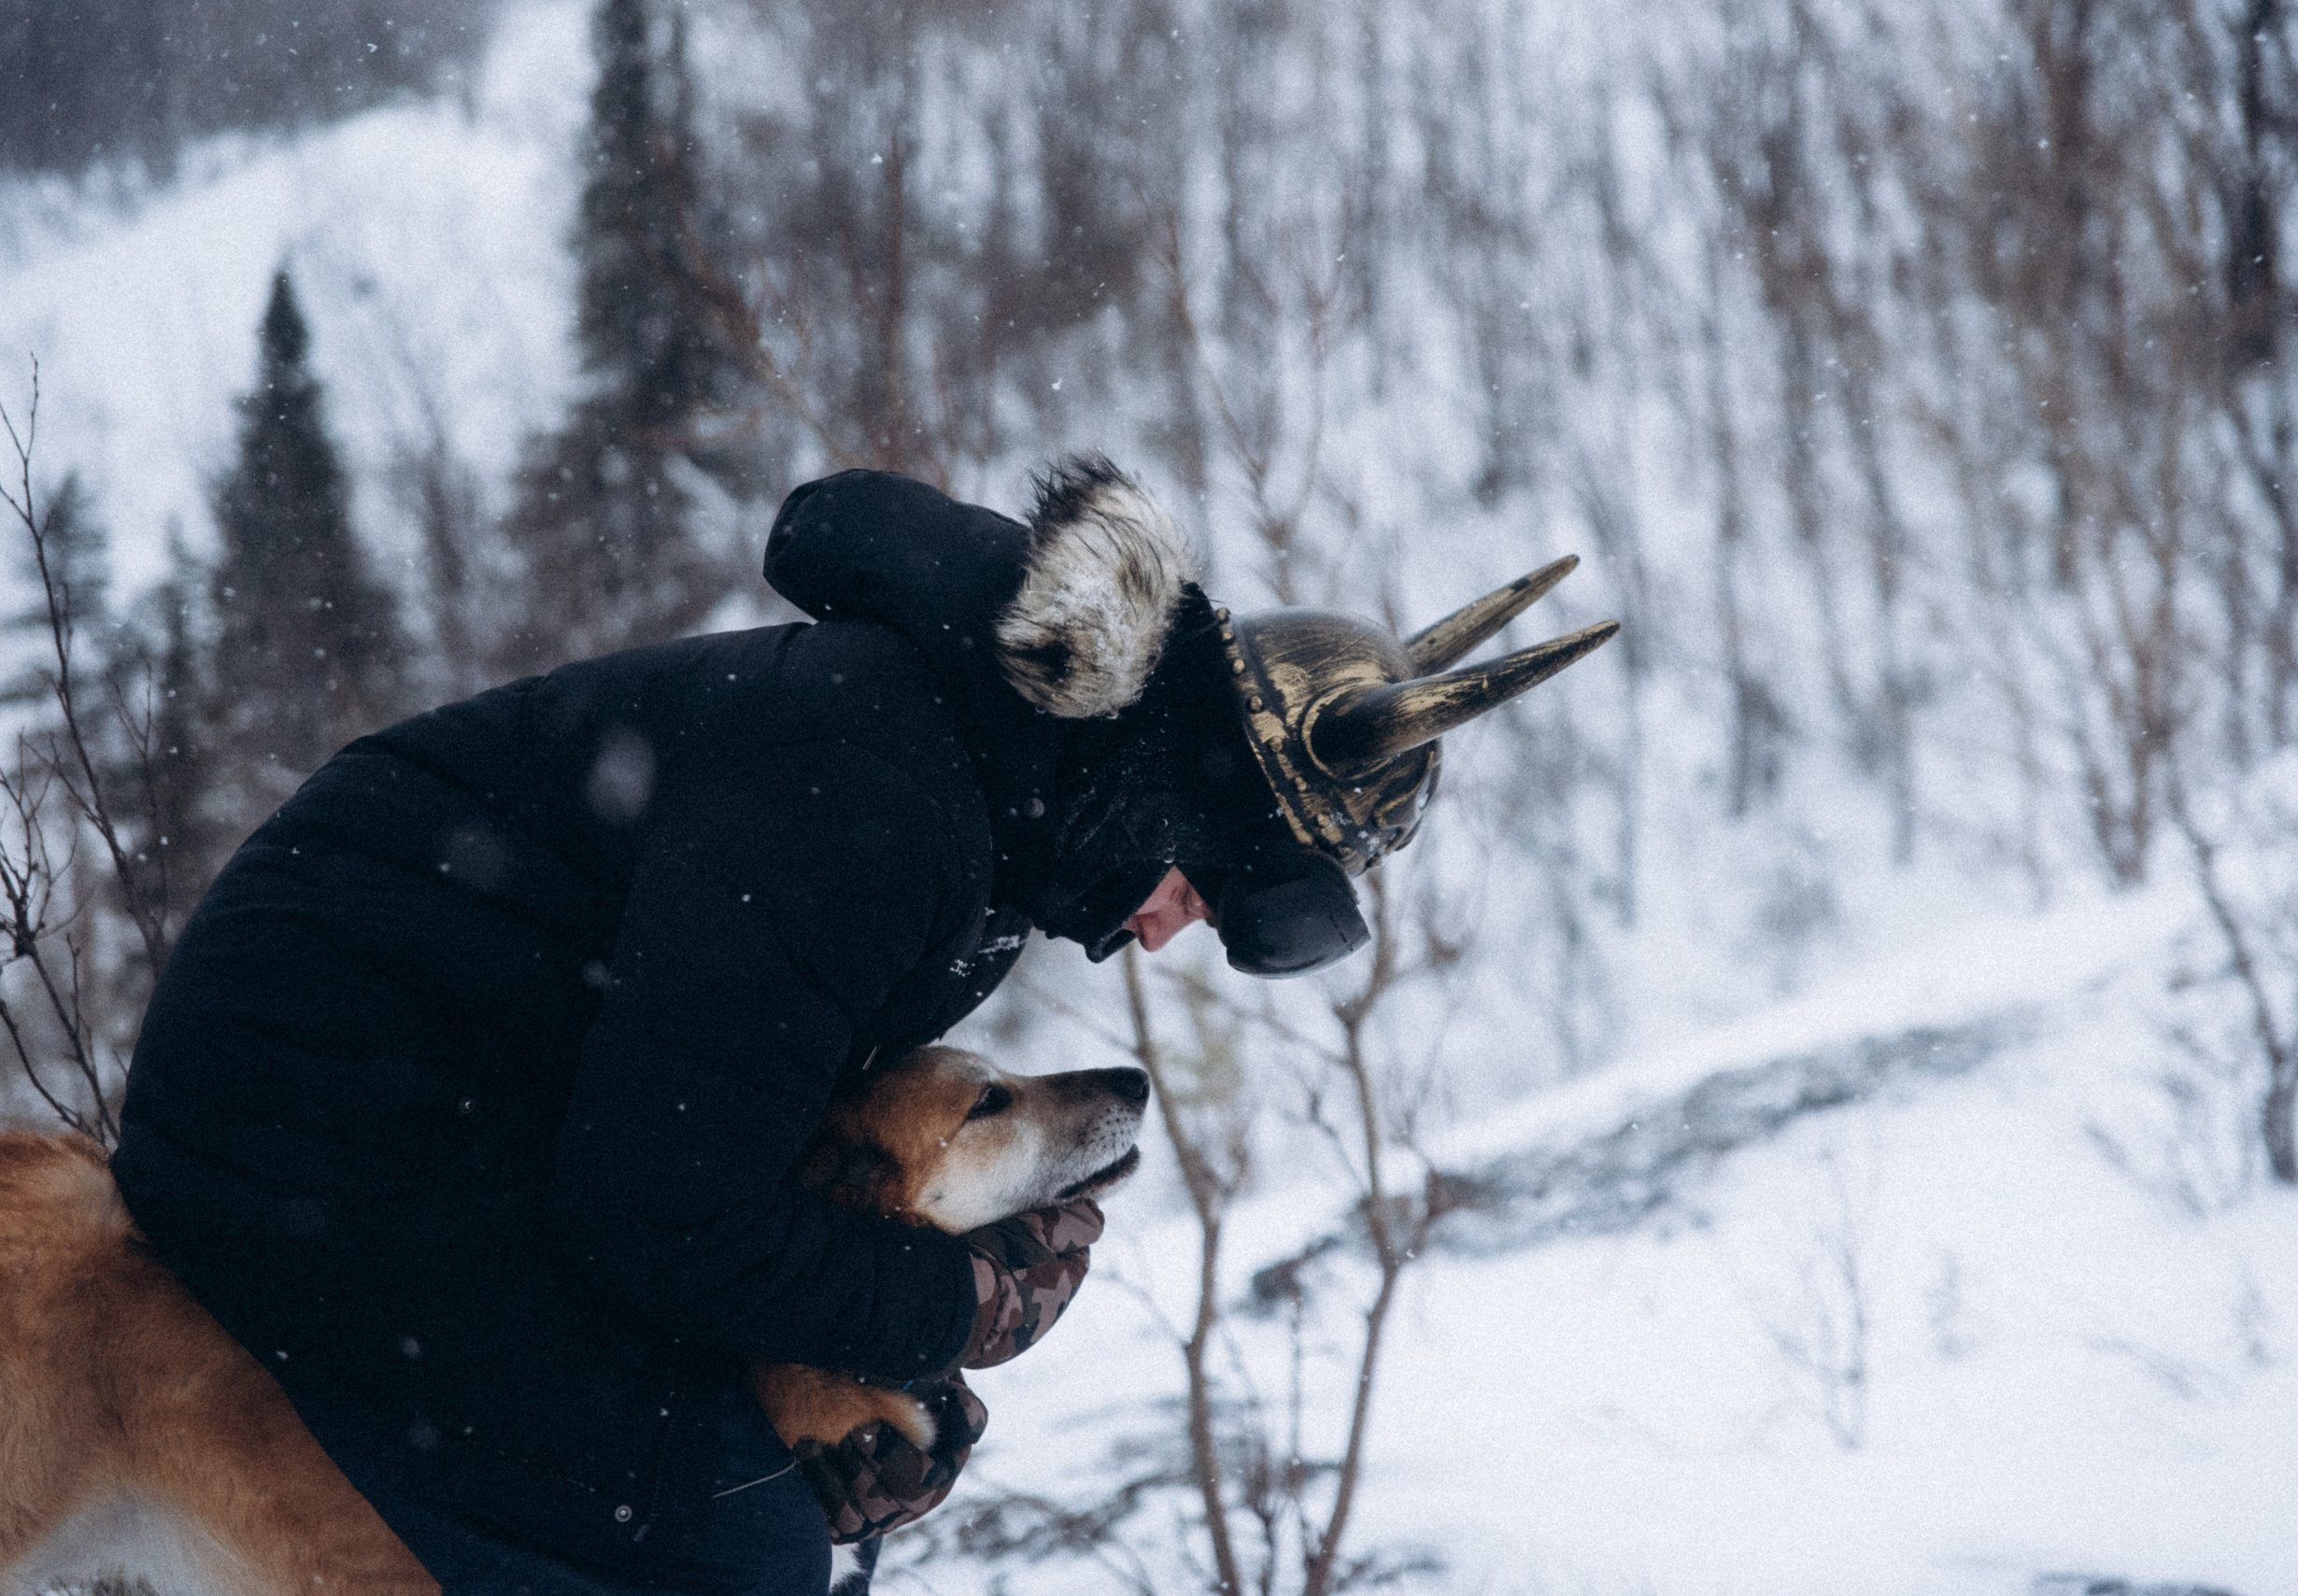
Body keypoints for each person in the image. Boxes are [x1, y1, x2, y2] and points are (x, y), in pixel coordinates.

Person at [109, 459, 1613, 1595]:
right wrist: (940, 1309)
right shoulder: (891, 806)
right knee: (727, 1529)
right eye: (1221, 892)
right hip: (311, 1118)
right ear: (1186, 805)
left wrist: (866, 1350)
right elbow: (656, 1208)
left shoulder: (993, 797)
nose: (1182, 927)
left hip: (460, 1105)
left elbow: (740, 1149)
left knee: (741, 1477)